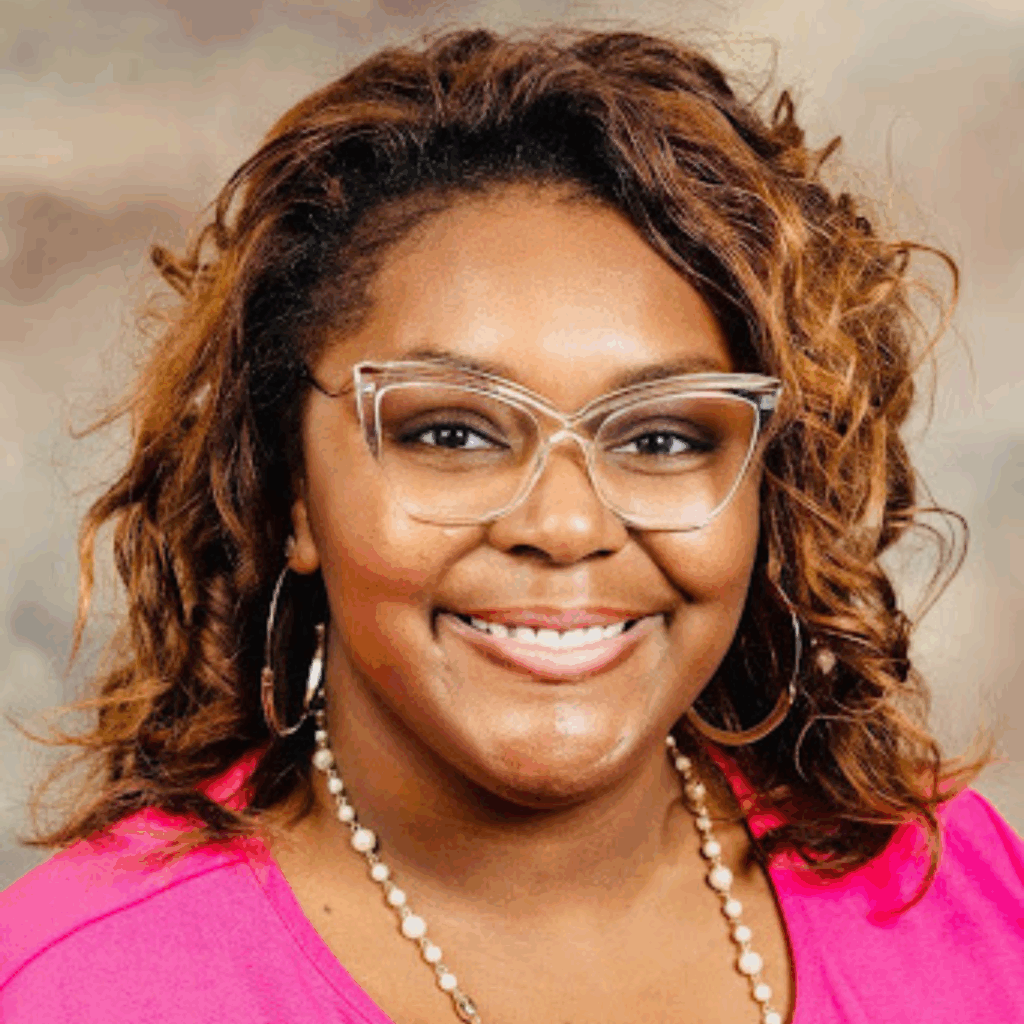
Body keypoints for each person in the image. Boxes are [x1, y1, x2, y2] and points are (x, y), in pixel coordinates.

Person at [1, 25, 1021, 1024]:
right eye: (450, 431)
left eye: (662, 437)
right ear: (290, 490)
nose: (566, 525)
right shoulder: (82, 984)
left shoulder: (955, 888)